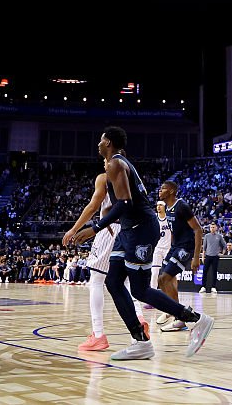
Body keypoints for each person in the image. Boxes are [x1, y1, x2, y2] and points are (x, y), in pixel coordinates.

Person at [69, 127, 213, 360]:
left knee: (140, 289)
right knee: (113, 282)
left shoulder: (116, 164)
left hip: (142, 230)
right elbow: (121, 204)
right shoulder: (116, 165)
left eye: (100, 140)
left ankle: (195, 319)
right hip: (128, 230)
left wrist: (94, 227)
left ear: (108, 142)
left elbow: (125, 203)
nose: (98, 144)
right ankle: (141, 342)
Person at [62, 163, 150, 352]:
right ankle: (140, 320)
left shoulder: (104, 177)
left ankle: (99, 335)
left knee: (96, 280)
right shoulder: (133, 179)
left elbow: (94, 206)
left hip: (109, 229)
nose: (104, 162)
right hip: (132, 230)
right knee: (125, 282)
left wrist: (74, 229)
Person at [156, 180, 204, 331]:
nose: (160, 191)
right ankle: (172, 309)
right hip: (175, 246)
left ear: (171, 191)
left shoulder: (181, 206)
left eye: (163, 189)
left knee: (165, 278)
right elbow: (173, 231)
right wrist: (171, 248)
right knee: (161, 280)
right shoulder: (167, 208)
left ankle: (180, 317)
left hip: (186, 247)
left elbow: (198, 230)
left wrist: (196, 257)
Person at [150, 201, 172, 293]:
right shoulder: (154, 219)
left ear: (165, 207)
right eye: (157, 205)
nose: (158, 207)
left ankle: (170, 295)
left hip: (168, 249)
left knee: (169, 274)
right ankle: (152, 296)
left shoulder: (169, 219)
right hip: (157, 249)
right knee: (154, 273)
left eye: (161, 205)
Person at [201, 223, 224, 294]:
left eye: (213, 227)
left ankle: (213, 287)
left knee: (214, 272)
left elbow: (224, 245)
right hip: (208, 255)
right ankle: (203, 287)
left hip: (215, 256)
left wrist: (222, 253)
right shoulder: (207, 236)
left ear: (216, 228)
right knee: (205, 271)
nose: (212, 228)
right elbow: (204, 247)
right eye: (211, 227)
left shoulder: (219, 236)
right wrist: (203, 256)